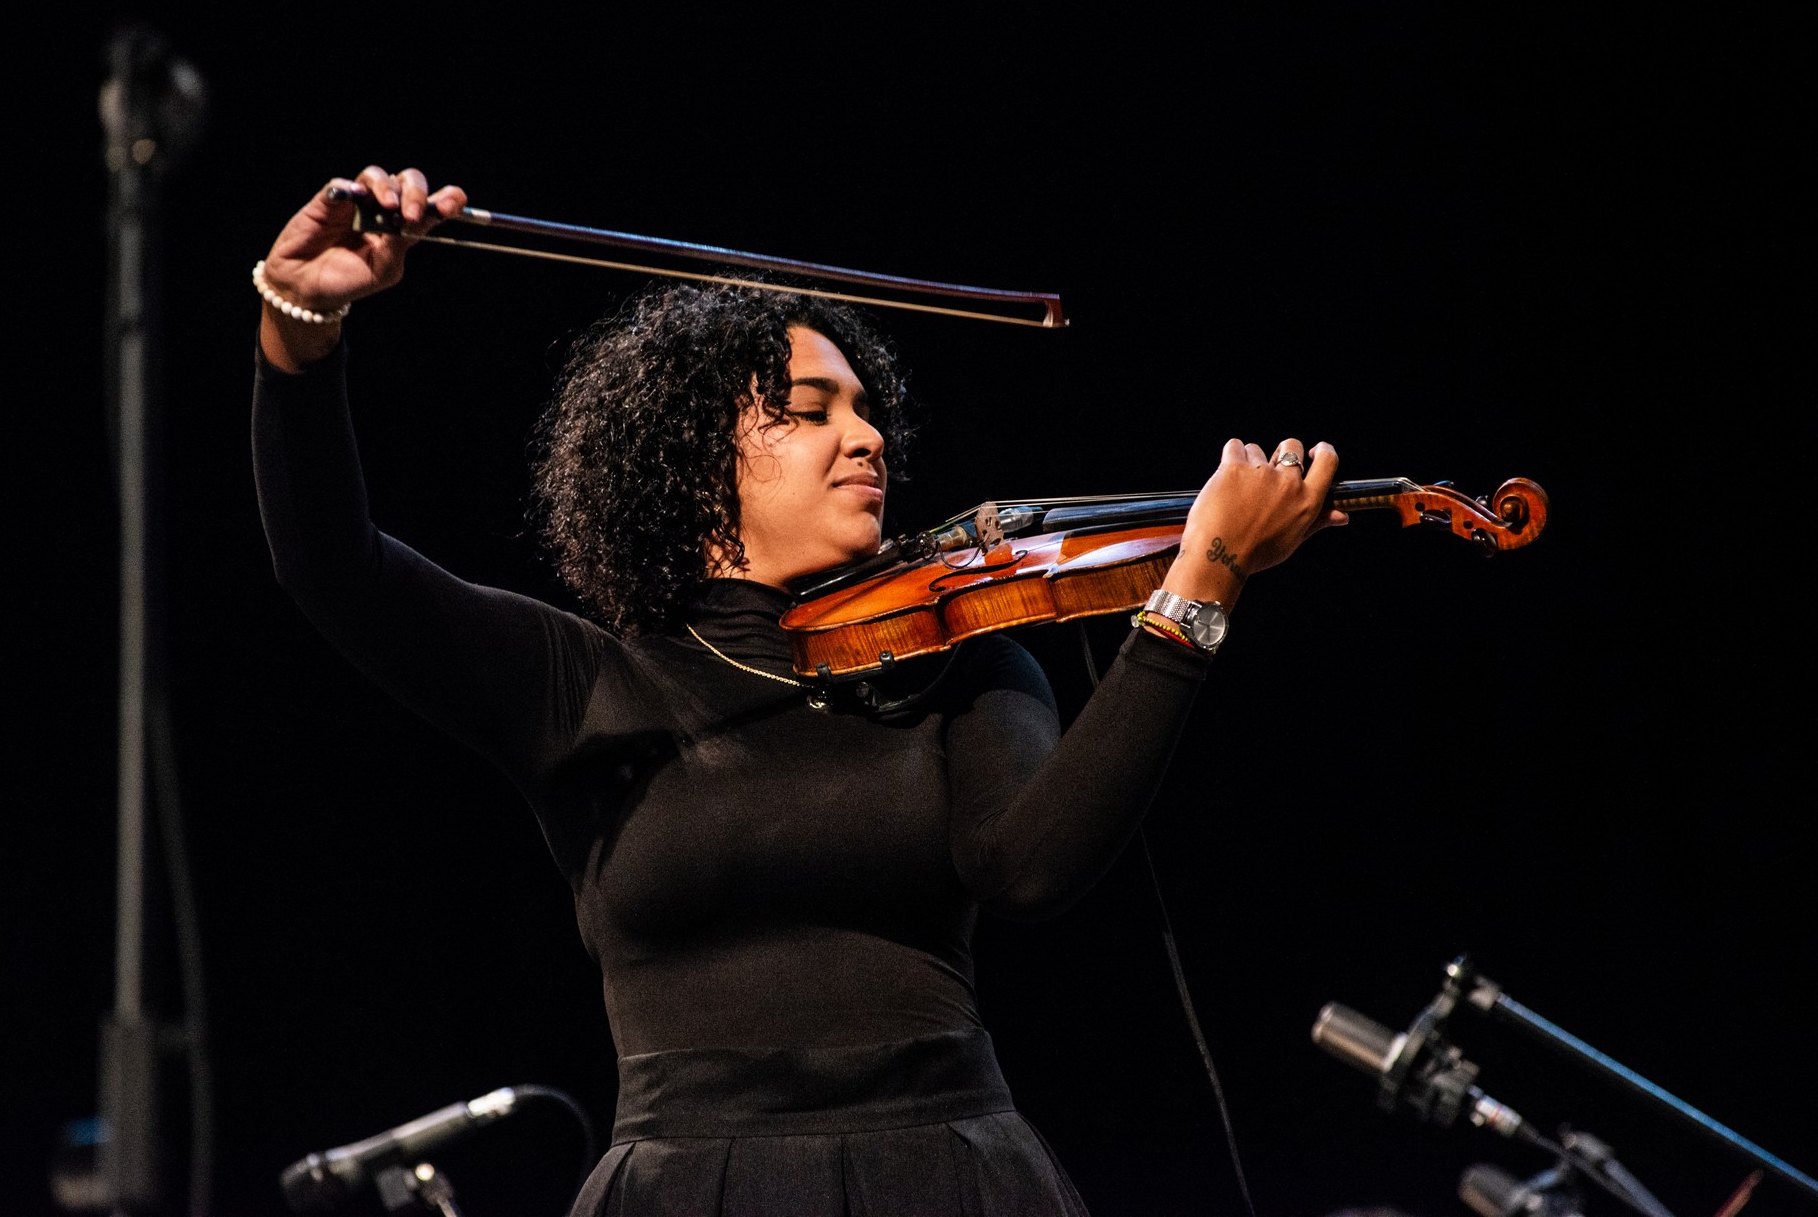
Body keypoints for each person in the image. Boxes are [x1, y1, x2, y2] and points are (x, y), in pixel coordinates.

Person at [251, 163, 1346, 1215]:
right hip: (685, 1190)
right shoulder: (580, 680)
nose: (866, 435)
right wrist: (301, 330)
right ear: (690, 461)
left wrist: (1200, 585)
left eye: (865, 410)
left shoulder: (961, 659)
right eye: (809, 410)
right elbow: (333, 567)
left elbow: (1029, 868)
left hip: (952, 1178)